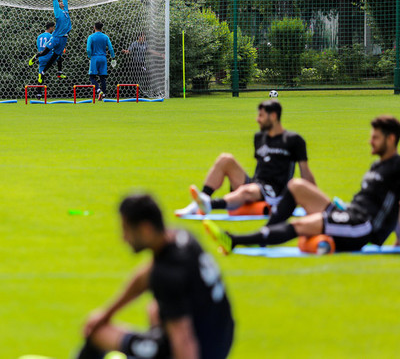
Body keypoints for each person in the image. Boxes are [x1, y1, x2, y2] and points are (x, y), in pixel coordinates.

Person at [204, 115, 400, 254]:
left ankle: (235, 240)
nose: (370, 141)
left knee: (300, 225)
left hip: (361, 227)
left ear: (391, 139)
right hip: (349, 212)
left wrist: (396, 239)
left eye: (375, 138)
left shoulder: (397, 167)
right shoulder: (378, 165)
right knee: (296, 185)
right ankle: (268, 229)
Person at [78, 193, 234, 359]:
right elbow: (146, 274)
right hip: (222, 335)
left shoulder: (166, 276)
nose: (124, 238)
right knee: (155, 309)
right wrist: (107, 313)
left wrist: (101, 323)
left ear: (145, 229)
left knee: (99, 334)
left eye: (126, 229)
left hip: (202, 350)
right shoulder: (181, 237)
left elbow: (184, 339)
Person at [176, 99, 315, 223]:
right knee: (226, 159)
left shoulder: (294, 140)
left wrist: (315, 199)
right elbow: (262, 167)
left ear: (273, 116)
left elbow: (305, 173)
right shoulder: (259, 137)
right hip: (257, 184)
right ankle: (199, 202)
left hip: (275, 192)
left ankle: (209, 205)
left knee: (246, 191)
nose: (257, 119)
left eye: (261, 116)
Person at [28, 0, 71, 84]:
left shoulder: (66, 10)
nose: (62, 3)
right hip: (56, 37)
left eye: (62, 2)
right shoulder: (58, 12)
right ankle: (35, 57)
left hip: (64, 39)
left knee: (55, 57)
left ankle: (43, 73)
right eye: (60, 2)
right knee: (45, 52)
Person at [121, 32, 163, 97]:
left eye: (144, 37)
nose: (144, 38)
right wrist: (125, 51)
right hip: (135, 64)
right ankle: (133, 94)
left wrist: (160, 54)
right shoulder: (134, 44)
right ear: (139, 38)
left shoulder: (145, 44)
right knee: (135, 79)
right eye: (143, 37)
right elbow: (129, 51)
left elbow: (150, 50)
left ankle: (145, 92)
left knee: (148, 75)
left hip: (142, 63)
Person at [86, 22, 115, 101]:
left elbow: (88, 49)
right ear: (102, 28)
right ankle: (104, 94)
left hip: (94, 58)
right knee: (102, 77)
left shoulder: (91, 37)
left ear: (94, 27)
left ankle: (98, 90)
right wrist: (113, 57)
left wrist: (89, 56)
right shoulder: (105, 37)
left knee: (92, 77)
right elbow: (110, 48)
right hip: (103, 58)